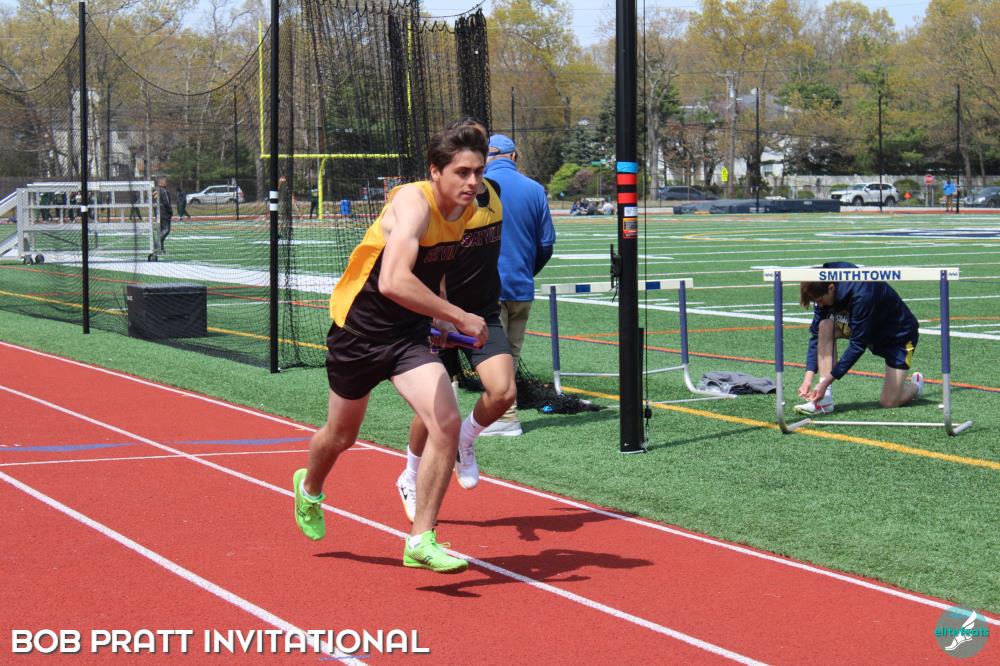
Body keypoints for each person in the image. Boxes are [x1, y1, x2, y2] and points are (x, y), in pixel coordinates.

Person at [293, 123, 489, 574]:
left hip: (407, 338)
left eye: (478, 172)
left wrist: (440, 319)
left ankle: (421, 539)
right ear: (435, 170)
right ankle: (309, 488)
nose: (472, 182)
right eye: (462, 172)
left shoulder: (465, 210)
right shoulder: (412, 203)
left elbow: (434, 268)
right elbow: (394, 280)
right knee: (341, 436)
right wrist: (460, 316)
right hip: (359, 334)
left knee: (445, 423)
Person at [395, 118, 516, 522]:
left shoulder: (493, 191)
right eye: (465, 167)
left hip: (483, 312)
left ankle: (466, 440)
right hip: (438, 316)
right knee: (432, 407)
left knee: (503, 392)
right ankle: (410, 476)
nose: (473, 175)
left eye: (480, 160)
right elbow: (434, 264)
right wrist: (444, 314)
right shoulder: (437, 203)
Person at [479, 133, 555, 436]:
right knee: (510, 354)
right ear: (513, 156)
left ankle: (503, 417)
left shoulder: (480, 187)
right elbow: (546, 244)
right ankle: (505, 416)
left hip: (487, 288)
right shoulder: (534, 189)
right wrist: (526, 271)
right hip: (521, 286)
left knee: (490, 357)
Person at [795, 261, 924, 415]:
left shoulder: (862, 295)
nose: (819, 305)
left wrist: (827, 381)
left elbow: (857, 345)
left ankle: (916, 387)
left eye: (819, 300)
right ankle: (825, 401)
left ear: (831, 288)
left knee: (889, 402)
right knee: (825, 326)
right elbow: (816, 333)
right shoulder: (822, 284)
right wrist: (808, 379)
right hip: (865, 327)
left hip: (897, 337)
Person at [156, 177, 172, 253]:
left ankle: (161, 248)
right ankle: (156, 244)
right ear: (161, 181)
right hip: (164, 213)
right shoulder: (163, 191)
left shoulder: (155, 190)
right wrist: (170, 212)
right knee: (166, 230)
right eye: (164, 181)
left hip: (158, 213)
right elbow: (166, 202)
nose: (166, 182)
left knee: (162, 230)